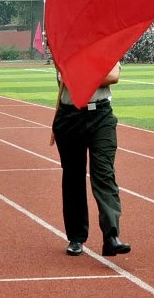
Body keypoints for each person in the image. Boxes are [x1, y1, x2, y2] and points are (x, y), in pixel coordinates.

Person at [53, 60, 130, 258]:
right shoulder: (66, 50)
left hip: (101, 115)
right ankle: (76, 237)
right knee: (73, 176)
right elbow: (67, 80)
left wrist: (82, 75)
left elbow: (113, 77)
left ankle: (111, 235)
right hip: (70, 115)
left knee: (104, 173)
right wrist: (95, 73)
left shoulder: (106, 47)